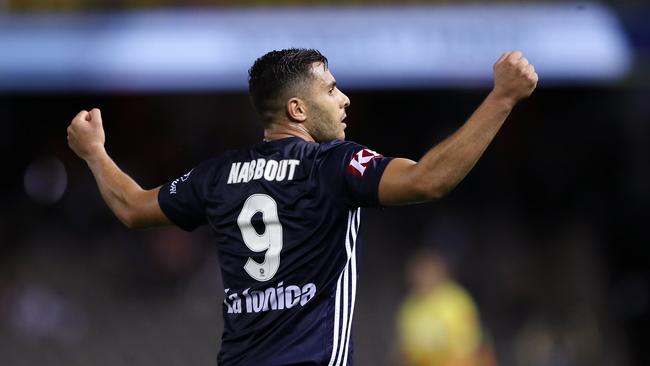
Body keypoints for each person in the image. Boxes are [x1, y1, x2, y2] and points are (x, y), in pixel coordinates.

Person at [66, 48, 537, 365]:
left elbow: (131, 207)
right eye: (331, 89)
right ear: (297, 109)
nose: (344, 98)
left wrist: (94, 152)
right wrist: (502, 98)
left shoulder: (218, 174)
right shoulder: (330, 165)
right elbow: (429, 180)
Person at [396, 247, 495, 366]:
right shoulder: (410, 307)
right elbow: (406, 349)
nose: (425, 277)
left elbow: (471, 346)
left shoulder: (456, 300)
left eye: (429, 272)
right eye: (420, 273)